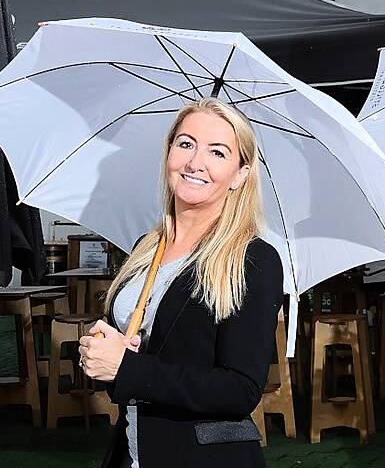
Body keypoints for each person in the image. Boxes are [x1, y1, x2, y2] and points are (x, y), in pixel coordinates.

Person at [77, 97, 284, 468]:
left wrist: (128, 368)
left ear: (240, 173)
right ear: (169, 151)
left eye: (217, 152)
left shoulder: (252, 259)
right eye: (186, 143)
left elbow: (240, 390)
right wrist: (103, 352)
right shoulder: (147, 247)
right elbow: (142, 356)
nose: (195, 162)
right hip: (131, 451)